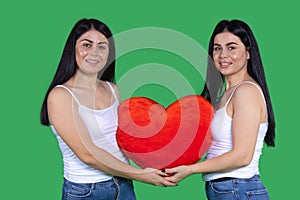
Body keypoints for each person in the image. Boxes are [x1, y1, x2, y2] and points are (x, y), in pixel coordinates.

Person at [40, 18, 176, 200]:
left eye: (102, 47)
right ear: (73, 49)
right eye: (87, 45)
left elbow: (121, 141)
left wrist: (158, 157)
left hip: (124, 186)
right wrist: (141, 175)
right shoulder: (61, 96)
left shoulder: (112, 89)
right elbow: (87, 154)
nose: (94, 52)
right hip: (86, 191)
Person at [165, 19, 276, 199]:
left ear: (248, 52)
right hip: (229, 189)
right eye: (217, 48)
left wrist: (191, 170)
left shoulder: (246, 92)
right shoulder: (225, 94)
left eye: (231, 47)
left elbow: (242, 156)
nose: (223, 55)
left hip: (238, 188)